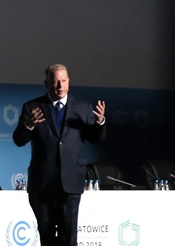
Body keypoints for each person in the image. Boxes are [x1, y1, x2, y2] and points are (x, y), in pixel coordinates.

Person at [13, 64, 106, 246]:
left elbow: (95, 138)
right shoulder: (32, 107)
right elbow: (19, 140)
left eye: (63, 81)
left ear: (69, 82)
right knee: (46, 236)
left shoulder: (83, 107)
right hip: (42, 184)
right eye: (55, 82)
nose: (60, 86)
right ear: (46, 84)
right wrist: (28, 125)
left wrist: (100, 122)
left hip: (71, 182)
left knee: (68, 236)